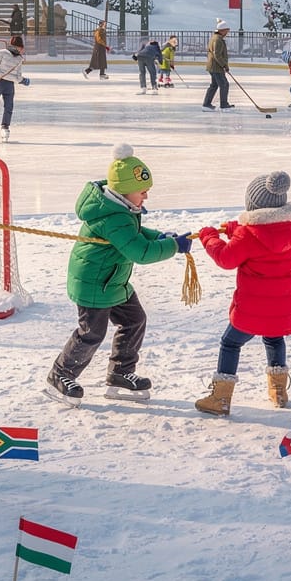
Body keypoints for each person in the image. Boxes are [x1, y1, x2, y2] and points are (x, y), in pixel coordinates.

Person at [45, 143, 189, 403]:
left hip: (112, 281)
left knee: (134, 320)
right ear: (124, 190)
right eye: (142, 192)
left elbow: (136, 234)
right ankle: (60, 374)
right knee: (91, 333)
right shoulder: (113, 217)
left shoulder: (120, 208)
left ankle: (121, 372)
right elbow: (139, 251)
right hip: (94, 284)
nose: (146, 197)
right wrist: (173, 247)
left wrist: (161, 237)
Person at [194, 170, 291, 416]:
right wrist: (237, 229)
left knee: (230, 343)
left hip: (253, 307)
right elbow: (266, 237)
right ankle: (278, 392)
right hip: (285, 304)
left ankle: (220, 398)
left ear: (253, 206)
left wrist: (208, 237)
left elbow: (226, 258)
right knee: (274, 338)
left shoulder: (248, 234)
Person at [203, 21, 232, 109]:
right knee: (224, 84)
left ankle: (207, 104)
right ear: (222, 30)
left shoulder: (216, 38)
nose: (227, 33)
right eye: (226, 30)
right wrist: (224, 65)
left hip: (214, 66)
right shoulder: (217, 39)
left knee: (214, 85)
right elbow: (217, 54)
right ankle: (223, 104)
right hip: (216, 67)